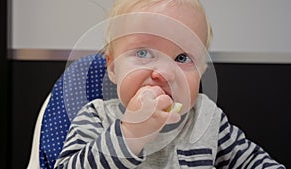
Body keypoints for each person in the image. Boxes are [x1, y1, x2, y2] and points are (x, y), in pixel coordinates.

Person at [54, 0, 286, 168]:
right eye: (143, 52)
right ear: (113, 68)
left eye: (182, 58)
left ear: (202, 71)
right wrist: (130, 134)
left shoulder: (207, 119)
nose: (164, 73)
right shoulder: (96, 117)